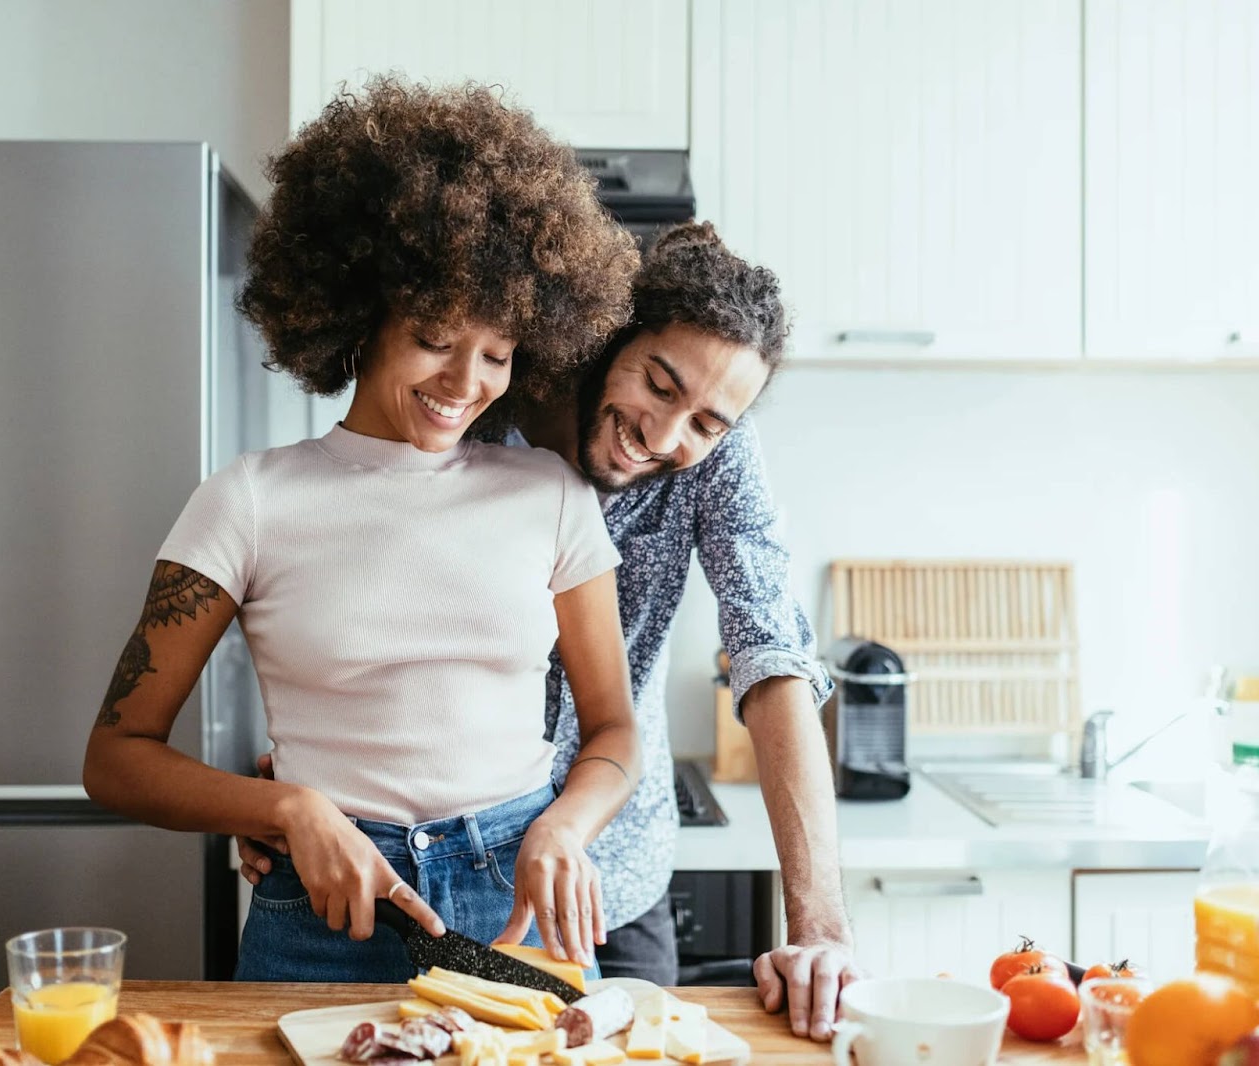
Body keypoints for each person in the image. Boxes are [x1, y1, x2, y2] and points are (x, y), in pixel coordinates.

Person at [83, 75, 643, 983]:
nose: (466, 381)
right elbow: (116, 758)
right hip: (321, 909)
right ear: (361, 314)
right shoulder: (249, 501)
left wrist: (564, 826)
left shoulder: (551, 495)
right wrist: (286, 812)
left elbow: (614, 727)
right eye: (434, 336)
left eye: (497, 353)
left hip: (515, 904)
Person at [243, 223, 862, 1038]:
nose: (668, 436)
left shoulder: (716, 452)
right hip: (406, 874)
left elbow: (771, 650)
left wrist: (818, 927)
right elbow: (346, 591)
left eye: (708, 422)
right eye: (658, 384)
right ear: (612, 335)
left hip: (604, 880)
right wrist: (301, 780)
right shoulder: (471, 407)